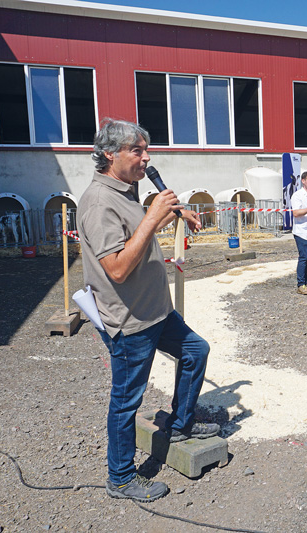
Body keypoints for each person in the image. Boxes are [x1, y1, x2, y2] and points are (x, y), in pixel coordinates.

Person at [77, 119, 218, 503]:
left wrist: (174, 215)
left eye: (146, 150)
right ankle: (120, 478)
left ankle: (181, 423)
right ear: (110, 155)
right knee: (127, 401)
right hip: (129, 320)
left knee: (196, 350)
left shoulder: (125, 191)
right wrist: (155, 216)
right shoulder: (98, 203)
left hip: (156, 310)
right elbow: (119, 268)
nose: (146, 158)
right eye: (137, 151)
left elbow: (137, 233)